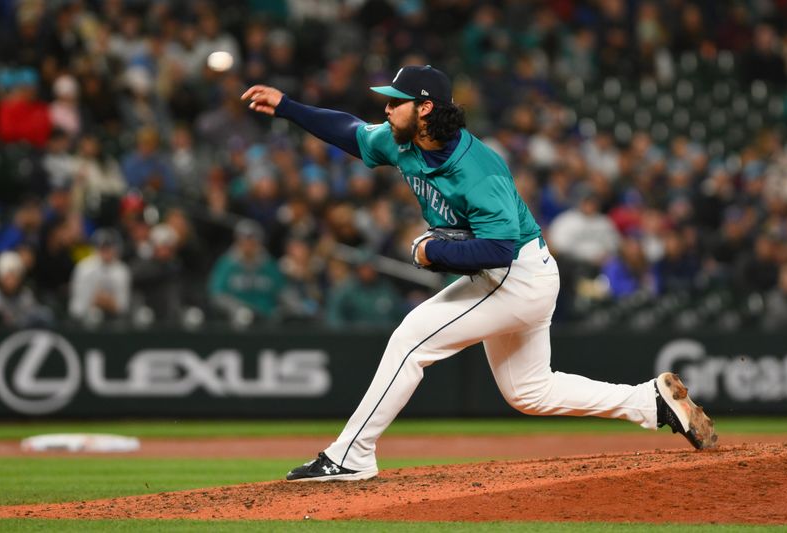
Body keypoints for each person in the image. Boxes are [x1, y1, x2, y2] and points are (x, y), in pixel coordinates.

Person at [242, 65, 717, 482]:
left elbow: (501, 249)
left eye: (396, 102)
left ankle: (350, 455)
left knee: (411, 339)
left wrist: (434, 253)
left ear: (424, 109)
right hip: (515, 275)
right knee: (530, 391)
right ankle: (649, 402)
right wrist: (287, 106)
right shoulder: (403, 141)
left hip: (516, 274)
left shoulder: (478, 169)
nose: (386, 109)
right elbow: (349, 131)